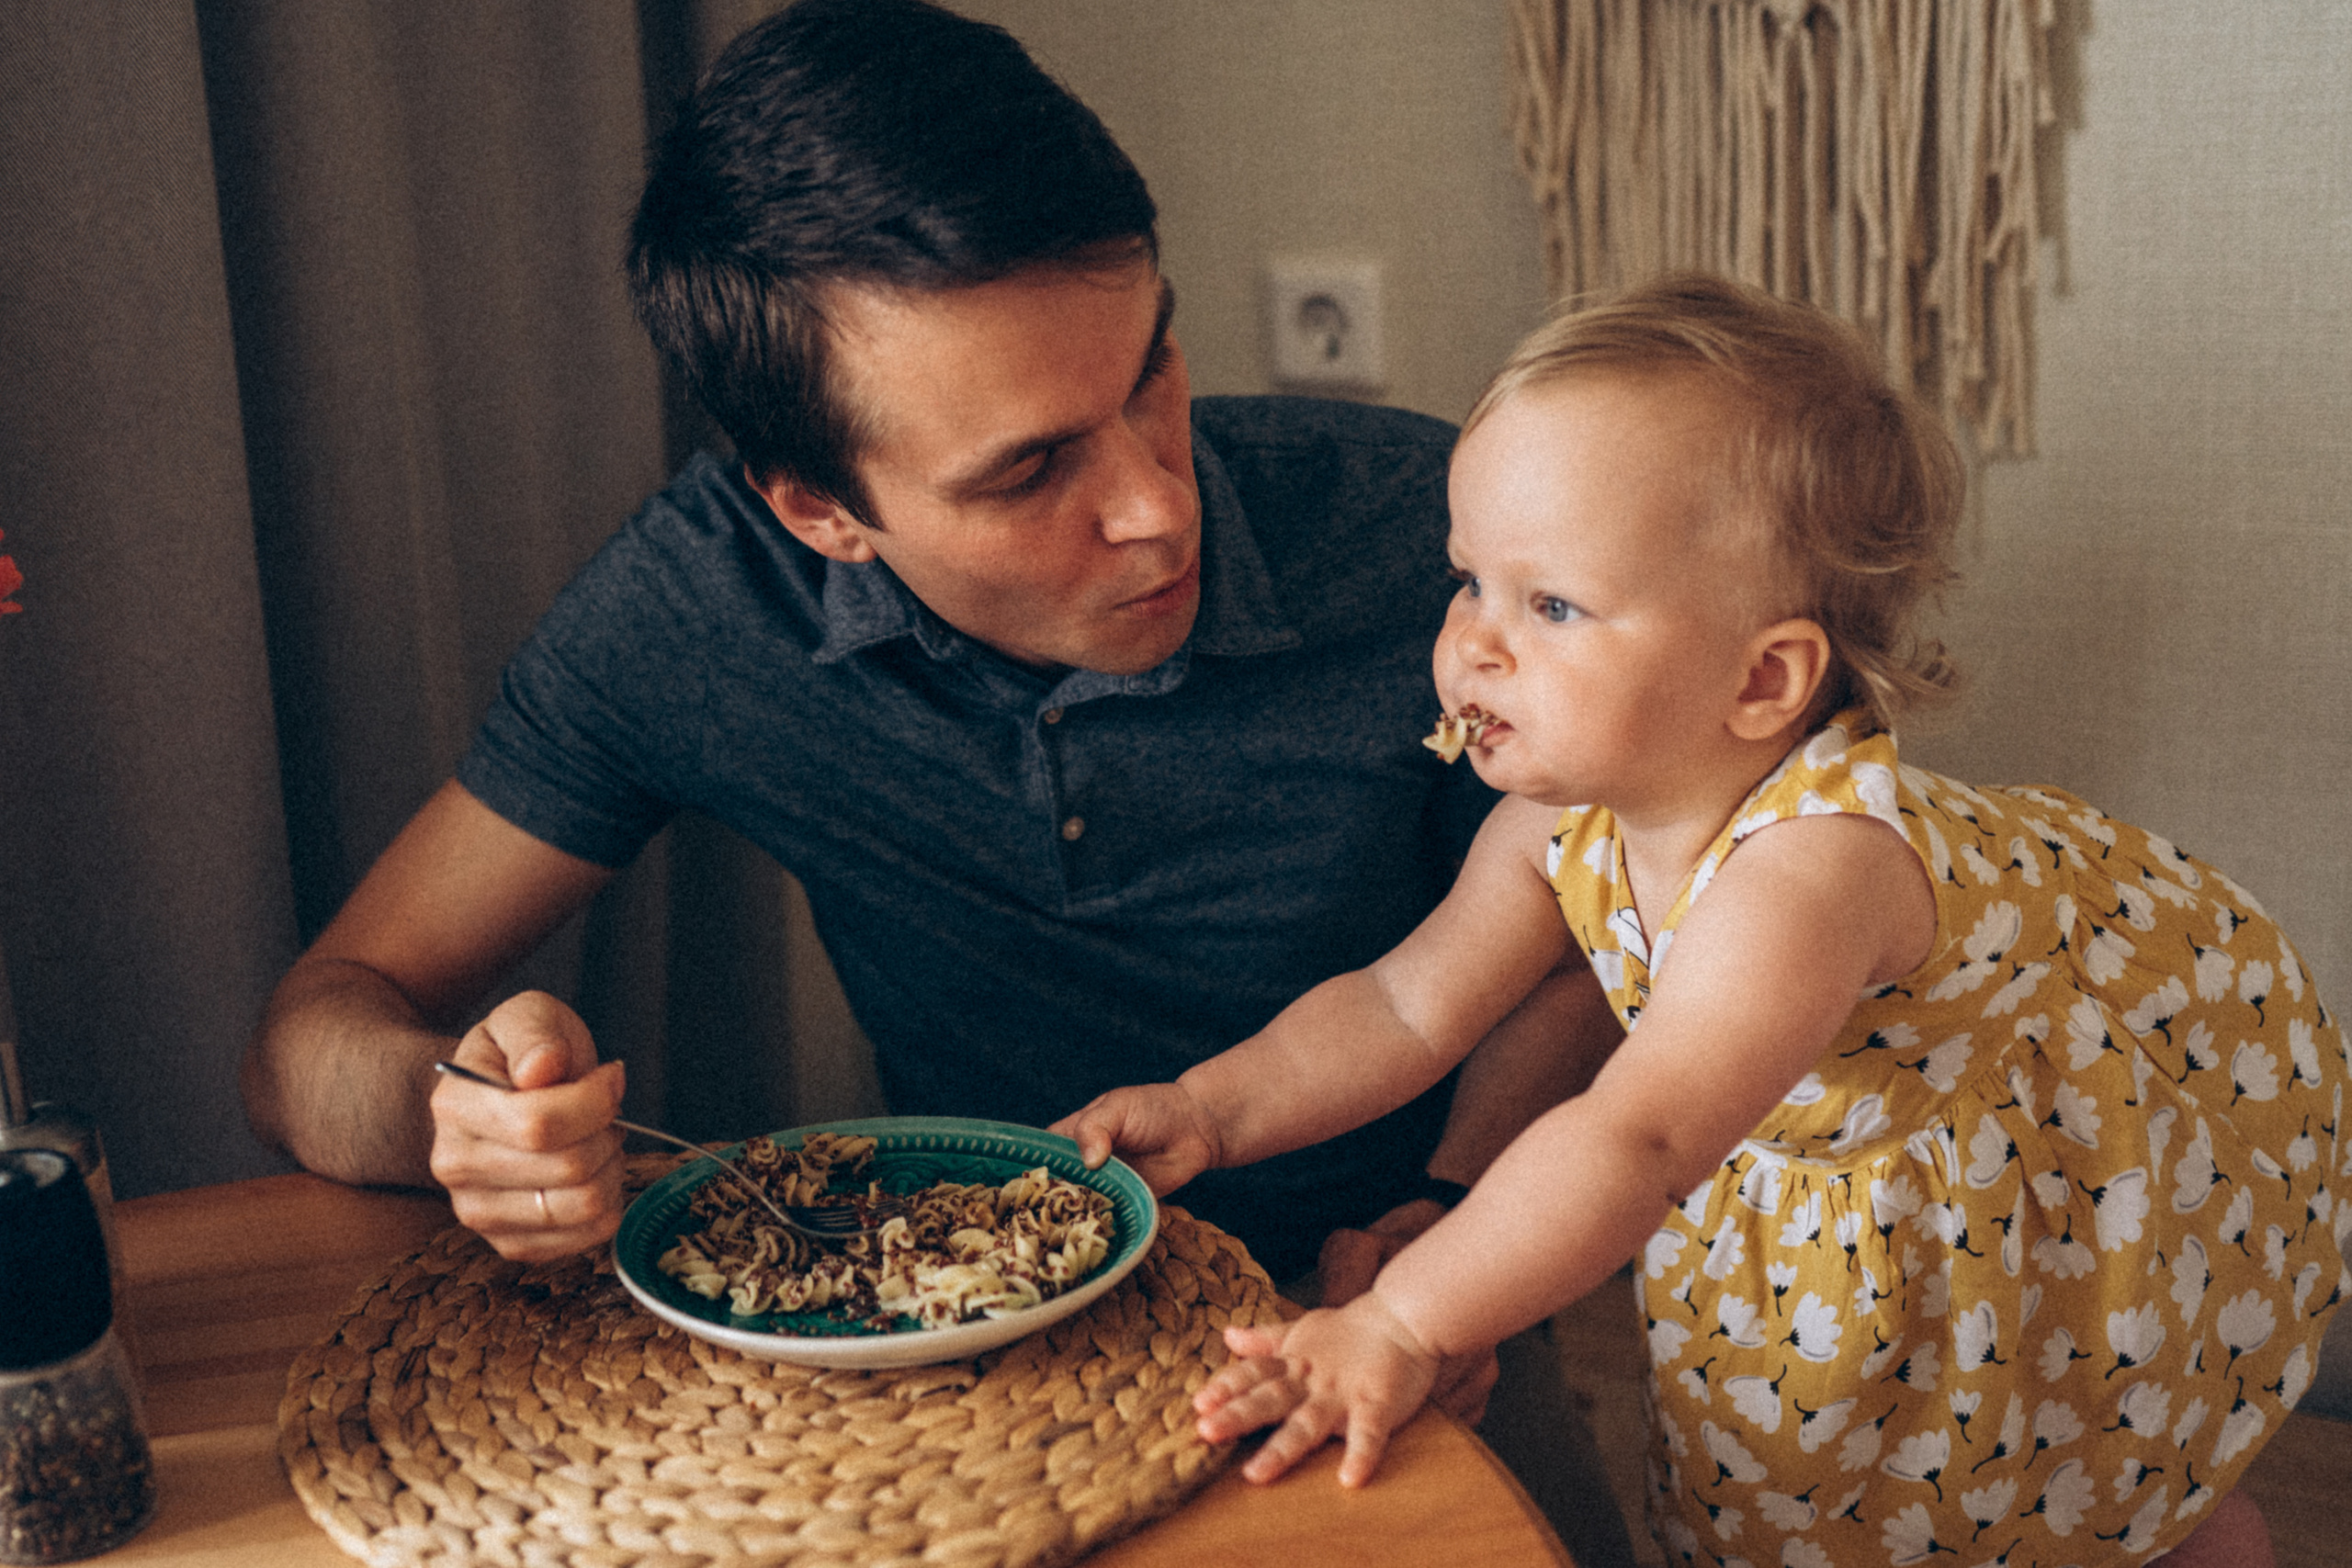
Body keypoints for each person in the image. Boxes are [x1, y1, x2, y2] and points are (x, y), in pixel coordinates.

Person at [239, 3, 1636, 1562]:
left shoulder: (1429, 542)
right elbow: (314, 1034)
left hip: (1407, 1297)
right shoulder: (698, 610)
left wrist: (1447, 1218)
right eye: (1031, 470)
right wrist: (460, 1116)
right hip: (961, 1376)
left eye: (1151, 371)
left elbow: (1586, 926)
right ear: (820, 511)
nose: (1156, 507)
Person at [1056, 273, 2345, 1567]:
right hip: (1794, 1182)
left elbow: (1639, 1137)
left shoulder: (1811, 874)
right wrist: (1212, 1110)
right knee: (1811, 1498)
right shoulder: (1557, 819)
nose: (1474, 646)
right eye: (1469, 583)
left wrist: (1401, 1322)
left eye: (1551, 606)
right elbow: (1406, 1004)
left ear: (1763, 678)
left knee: (2089, 1477)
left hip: (2013, 1186)